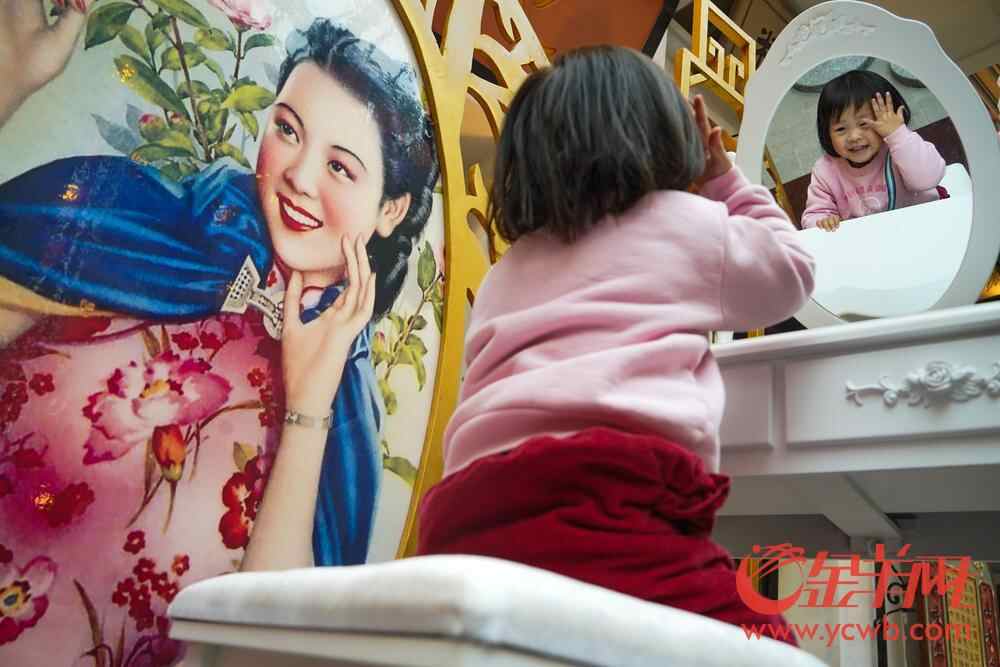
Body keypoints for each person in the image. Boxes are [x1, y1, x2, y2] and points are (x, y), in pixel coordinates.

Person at [0, 2, 436, 663]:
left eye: (341, 167)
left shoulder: (342, 421)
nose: (299, 176)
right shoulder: (141, 221)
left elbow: (265, 652)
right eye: (287, 131)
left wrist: (308, 409)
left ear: (391, 210)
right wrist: (10, 82)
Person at [410, 46, 815, 644]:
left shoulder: (505, 270)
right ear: (666, 138)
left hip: (463, 516)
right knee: (762, 645)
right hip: (610, 496)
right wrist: (722, 179)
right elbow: (792, 271)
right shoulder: (686, 222)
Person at [801, 70, 946, 231]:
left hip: (920, 225)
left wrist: (897, 133)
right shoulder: (825, 171)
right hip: (870, 238)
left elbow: (928, 179)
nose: (854, 136)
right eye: (841, 129)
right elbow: (814, 215)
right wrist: (823, 221)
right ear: (826, 133)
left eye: (864, 124)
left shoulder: (901, 147)